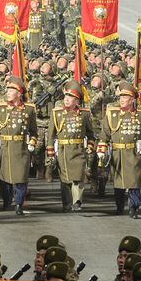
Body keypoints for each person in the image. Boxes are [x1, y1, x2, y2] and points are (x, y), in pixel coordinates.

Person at [0, 75, 37, 215]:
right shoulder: (0, 108)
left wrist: (32, 142)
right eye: (7, 90)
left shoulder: (28, 109)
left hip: (21, 147)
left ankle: (18, 204)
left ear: (19, 93)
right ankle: (6, 200)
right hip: (4, 146)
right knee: (4, 178)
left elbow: (34, 131)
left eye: (11, 91)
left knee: (21, 178)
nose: (8, 93)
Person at [97, 83, 141, 218]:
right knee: (118, 183)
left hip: (134, 153)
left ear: (133, 99)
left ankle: (134, 207)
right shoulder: (112, 114)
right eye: (121, 96)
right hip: (117, 153)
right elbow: (105, 134)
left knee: (133, 182)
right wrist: (102, 149)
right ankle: (119, 206)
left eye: (125, 97)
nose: (121, 99)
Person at [46, 80, 95, 212]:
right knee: (65, 179)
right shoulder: (57, 113)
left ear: (77, 101)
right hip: (63, 150)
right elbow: (51, 134)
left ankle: (77, 201)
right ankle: (67, 203)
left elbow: (91, 133)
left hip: (78, 149)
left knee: (78, 177)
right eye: (66, 97)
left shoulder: (84, 114)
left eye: (71, 98)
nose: (67, 100)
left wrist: (90, 146)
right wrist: (50, 151)